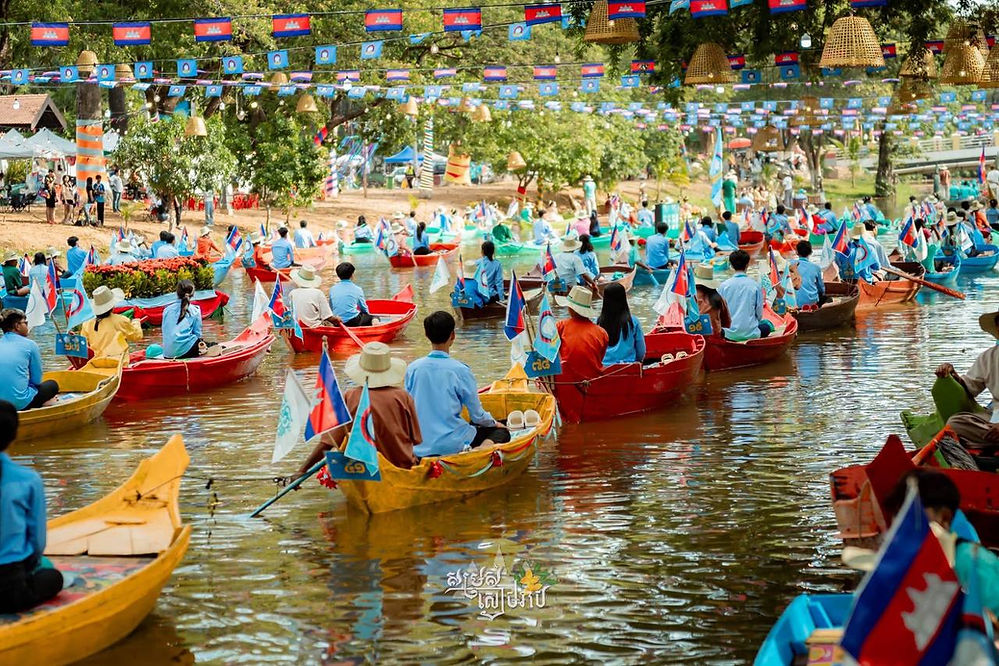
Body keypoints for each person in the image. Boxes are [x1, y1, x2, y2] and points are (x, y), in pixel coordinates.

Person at [879, 469, 999, 617]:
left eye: (911, 514)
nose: (901, 523)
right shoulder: (905, 563)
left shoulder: (973, 562)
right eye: (898, 514)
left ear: (944, 517)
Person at [296, 342, 421, 474]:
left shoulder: (350, 396)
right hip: (400, 466)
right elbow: (416, 439)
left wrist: (302, 470)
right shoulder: (403, 397)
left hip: (361, 470)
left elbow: (328, 442)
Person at [405, 311, 509, 456]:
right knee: (502, 432)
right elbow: (477, 415)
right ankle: (479, 452)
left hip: (418, 445)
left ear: (426, 335)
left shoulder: (413, 368)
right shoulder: (460, 370)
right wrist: (495, 423)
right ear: (453, 335)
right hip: (451, 444)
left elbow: (406, 409)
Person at [0, 401, 64, 613]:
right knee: (52, 577)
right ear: (13, 436)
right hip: (8, 589)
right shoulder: (27, 480)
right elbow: (37, 544)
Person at [935, 310, 999, 452]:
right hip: (996, 414)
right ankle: (991, 440)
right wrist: (952, 374)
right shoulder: (988, 357)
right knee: (955, 423)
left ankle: (986, 442)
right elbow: (970, 387)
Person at [0, 309, 59, 409]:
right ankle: (42, 403)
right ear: (17, 326)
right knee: (52, 385)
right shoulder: (30, 345)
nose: (27, 325)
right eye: (25, 322)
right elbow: (36, 380)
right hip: (19, 404)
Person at [555, 285, 609, 379]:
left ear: (570, 308)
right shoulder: (602, 332)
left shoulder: (560, 326)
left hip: (566, 379)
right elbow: (599, 358)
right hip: (594, 379)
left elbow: (552, 352)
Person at [717, 250, 771, 341]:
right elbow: (759, 314)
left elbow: (719, 312)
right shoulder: (755, 285)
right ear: (747, 265)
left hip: (728, 334)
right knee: (767, 327)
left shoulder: (723, 286)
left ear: (731, 265)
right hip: (751, 334)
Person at [80, 287, 143, 360]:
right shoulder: (121, 320)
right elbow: (137, 336)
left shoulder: (87, 324)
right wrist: (136, 320)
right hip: (118, 364)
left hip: (96, 363)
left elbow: (84, 346)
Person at [598, 283, 645, 365]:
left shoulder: (597, 322)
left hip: (603, 367)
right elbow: (641, 351)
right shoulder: (633, 322)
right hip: (628, 367)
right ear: (624, 298)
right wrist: (638, 361)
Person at [162, 280, 206, 359]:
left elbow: (165, 331)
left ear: (177, 293)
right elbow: (198, 334)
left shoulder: (167, 310)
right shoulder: (195, 310)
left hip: (167, 354)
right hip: (186, 352)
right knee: (207, 344)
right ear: (192, 293)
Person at [329, 262, 373, 327]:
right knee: (373, 318)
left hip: (337, 322)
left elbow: (331, 307)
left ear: (338, 275)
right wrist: (369, 316)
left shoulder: (332, 289)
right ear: (352, 275)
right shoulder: (357, 289)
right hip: (353, 321)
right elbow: (364, 309)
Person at [789, 241, 825, 308]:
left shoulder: (789, 264)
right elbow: (821, 289)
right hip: (811, 303)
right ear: (811, 252)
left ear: (797, 252)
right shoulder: (816, 267)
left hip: (793, 302)